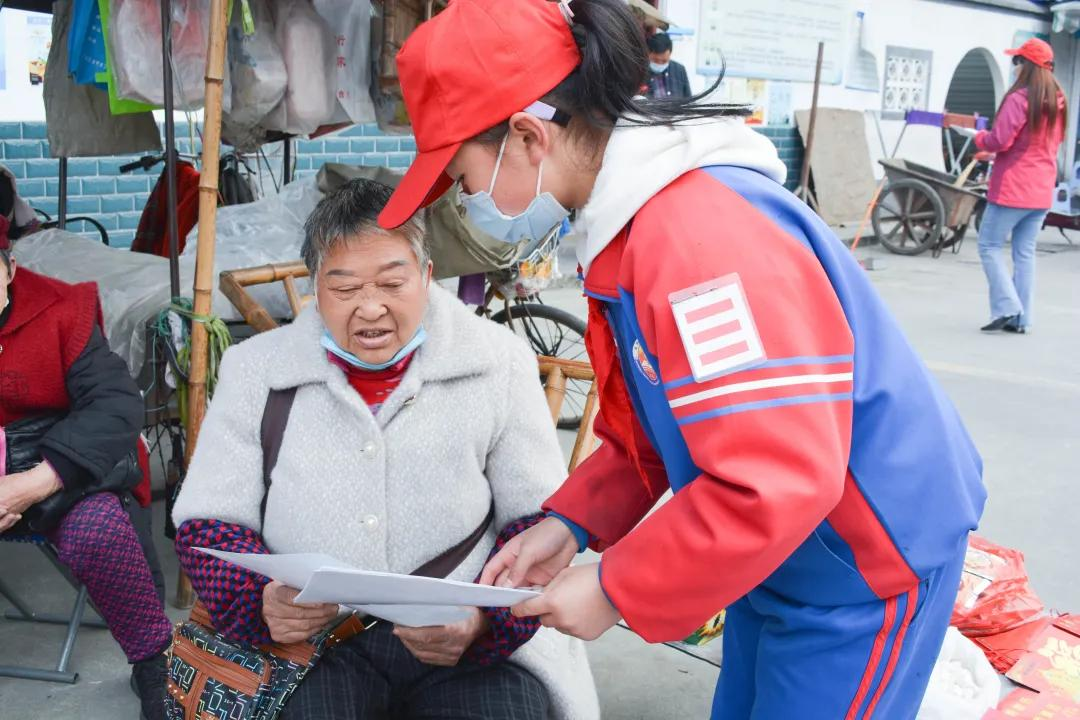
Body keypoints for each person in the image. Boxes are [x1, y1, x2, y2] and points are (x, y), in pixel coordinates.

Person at [375, 0, 986, 717]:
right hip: (780, 551)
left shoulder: (696, 239)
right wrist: (569, 525)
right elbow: (653, 428)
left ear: (527, 136)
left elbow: (774, 476)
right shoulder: (629, 225)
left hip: (861, 561)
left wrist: (615, 586)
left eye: (463, 178)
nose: (467, 201)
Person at [171, 179, 598, 720]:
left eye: (392, 283)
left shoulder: (498, 361)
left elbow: (537, 524)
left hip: (465, 644)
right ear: (315, 286)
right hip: (315, 646)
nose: (370, 308)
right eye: (345, 289)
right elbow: (208, 525)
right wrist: (261, 601)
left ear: (426, 275)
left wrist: (482, 622)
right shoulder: (257, 369)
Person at [0, 216, 172, 720]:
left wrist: (32, 484)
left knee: (98, 528)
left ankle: (153, 659)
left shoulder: (61, 308)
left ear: (10, 269)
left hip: (58, 468)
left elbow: (114, 405)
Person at [956, 38, 1066, 334]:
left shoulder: (1019, 99)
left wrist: (980, 138)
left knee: (989, 245)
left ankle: (1007, 307)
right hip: (1041, 189)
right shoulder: (1058, 101)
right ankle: (1022, 319)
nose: (1014, 67)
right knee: (1024, 254)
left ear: (1026, 66)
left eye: (1017, 61)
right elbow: (1043, 143)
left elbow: (1000, 141)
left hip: (1013, 187)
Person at [645, 32, 691, 100]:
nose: (659, 64)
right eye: (655, 60)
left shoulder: (679, 70)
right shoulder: (639, 71)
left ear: (670, 54)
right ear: (648, 54)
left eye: (664, 61)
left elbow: (688, 99)